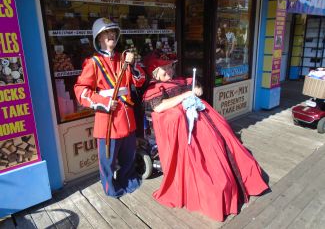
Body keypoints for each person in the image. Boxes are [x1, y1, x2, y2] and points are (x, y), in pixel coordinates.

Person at [142, 51, 269, 221]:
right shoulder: (154, 88)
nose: (169, 71)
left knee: (225, 140)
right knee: (209, 154)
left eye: (170, 66)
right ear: (154, 71)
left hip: (203, 120)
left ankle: (242, 177)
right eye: (164, 68)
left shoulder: (179, 80)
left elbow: (198, 90)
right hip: (186, 127)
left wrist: (196, 88)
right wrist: (186, 95)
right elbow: (159, 107)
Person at [74, 18, 146, 197]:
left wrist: (133, 64)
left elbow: (139, 81)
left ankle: (128, 180)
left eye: (113, 32)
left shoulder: (123, 58)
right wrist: (104, 102)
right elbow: (81, 91)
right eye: (106, 33)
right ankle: (110, 188)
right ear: (99, 38)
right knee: (108, 160)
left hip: (127, 117)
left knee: (128, 155)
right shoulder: (93, 63)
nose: (111, 35)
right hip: (108, 119)